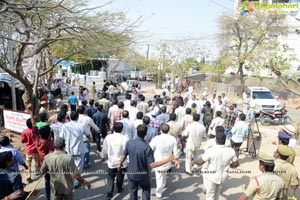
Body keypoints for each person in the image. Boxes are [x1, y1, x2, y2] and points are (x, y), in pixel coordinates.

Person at [118, 124, 176, 200]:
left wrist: (120, 164)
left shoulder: (129, 142)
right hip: (143, 175)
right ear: (146, 134)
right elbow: (152, 165)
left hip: (131, 173)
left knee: (132, 194)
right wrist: (168, 160)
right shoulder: (146, 147)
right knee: (145, 190)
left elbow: (123, 156)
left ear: (136, 132)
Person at [192, 128, 239, 200]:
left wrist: (193, 162)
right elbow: (235, 164)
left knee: (210, 195)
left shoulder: (211, 150)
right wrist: (230, 165)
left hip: (212, 176)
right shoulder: (231, 151)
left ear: (216, 140)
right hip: (223, 176)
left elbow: (200, 162)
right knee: (217, 192)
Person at [59, 111, 92, 188]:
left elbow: (61, 137)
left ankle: (72, 180)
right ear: (77, 117)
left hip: (69, 149)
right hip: (79, 149)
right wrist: (90, 140)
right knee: (78, 166)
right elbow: (88, 134)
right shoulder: (81, 125)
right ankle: (76, 182)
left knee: (70, 166)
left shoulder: (65, 126)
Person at [150, 124, 180, 198]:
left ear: (161, 130)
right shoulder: (173, 139)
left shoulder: (156, 138)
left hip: (158, 162)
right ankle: (164, 183)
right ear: (168, 130)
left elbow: (150, 148)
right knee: (164, 173)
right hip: (167, 162)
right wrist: (176, 160)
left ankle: (159, 193)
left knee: (159, 177)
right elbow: (175, 153)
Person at [101, 122, 128, 200]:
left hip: (112, 162)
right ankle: (119, 189)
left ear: (113, 129)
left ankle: (109, 195)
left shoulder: (108, 137)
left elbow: (104, 149)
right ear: (122, 129)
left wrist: (103, 157)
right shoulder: (125, 138)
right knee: (120, 177)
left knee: (110, 178)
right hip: (122, 162)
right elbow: (127, 151)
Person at [21, 118, 39, 182]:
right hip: (36, 150)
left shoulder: (24, 131)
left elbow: (22, 141)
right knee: (37, 162)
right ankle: (37, 171)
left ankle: (29, 176)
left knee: (28, 164)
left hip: (28, 150)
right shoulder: (36, 131)